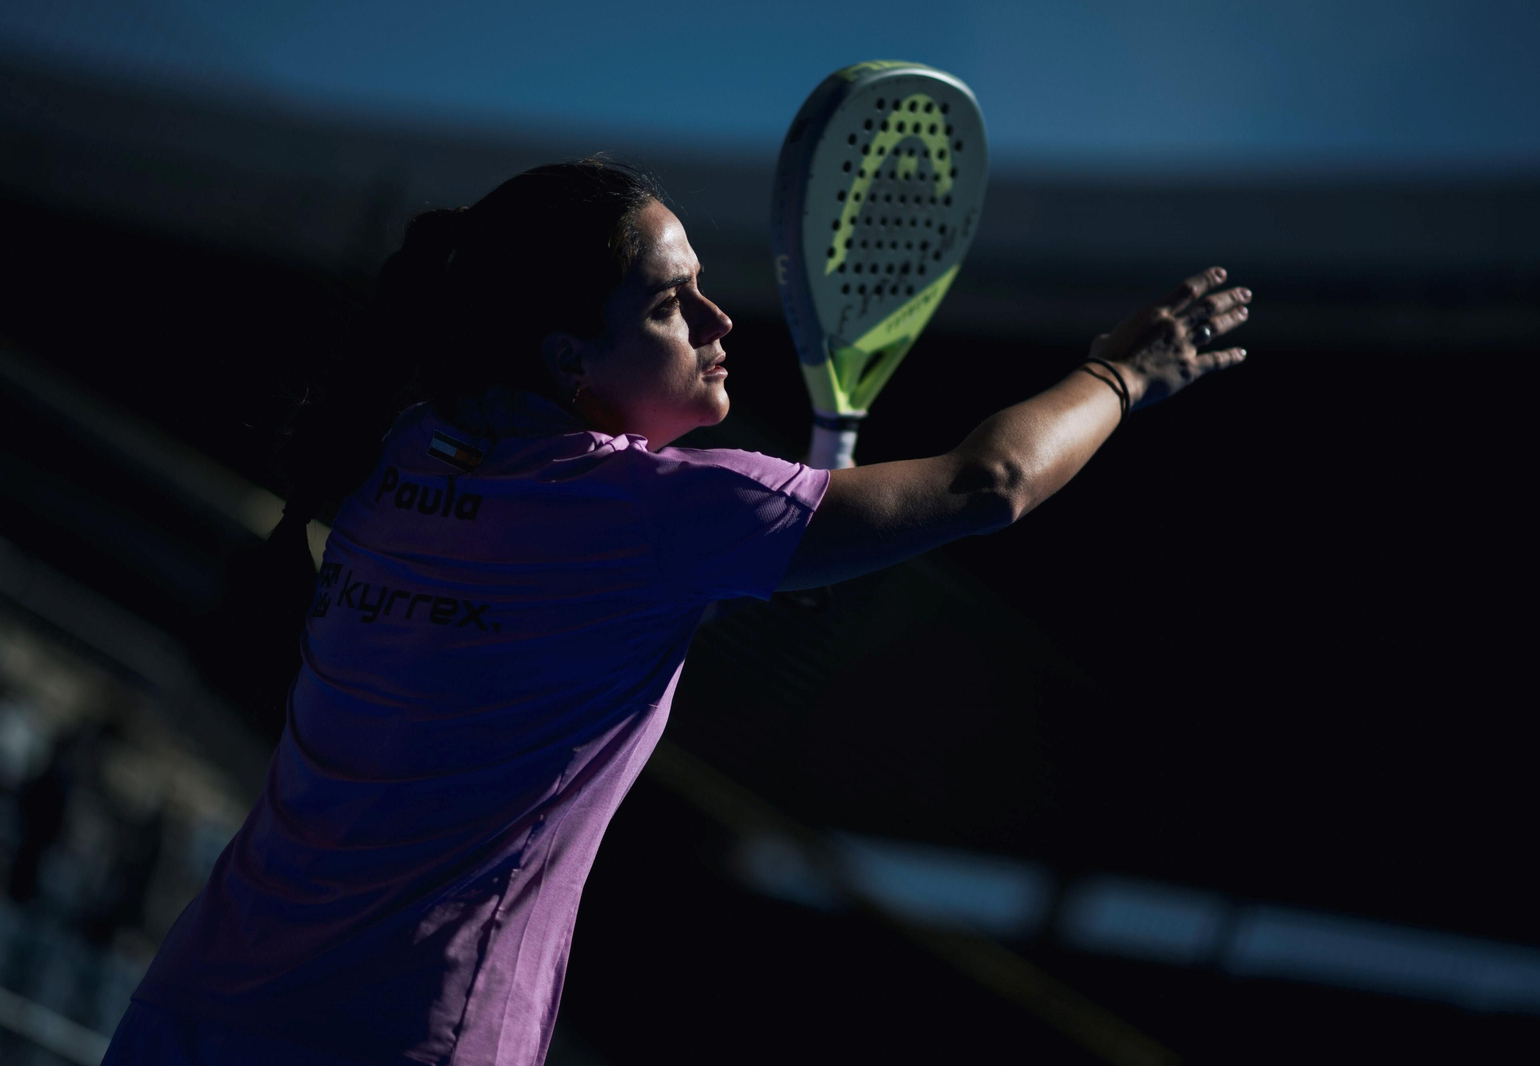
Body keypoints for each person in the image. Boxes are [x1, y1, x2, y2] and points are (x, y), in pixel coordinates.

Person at [102, 157, 1250, 1065]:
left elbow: (531, 618)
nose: (719, 319)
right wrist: (1122, 377)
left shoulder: (403, 449)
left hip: (186, 1013)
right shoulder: (657, 516)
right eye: (671, 301)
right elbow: (983, 485)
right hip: (397, 1035)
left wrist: (763, 561)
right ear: (567, 355)